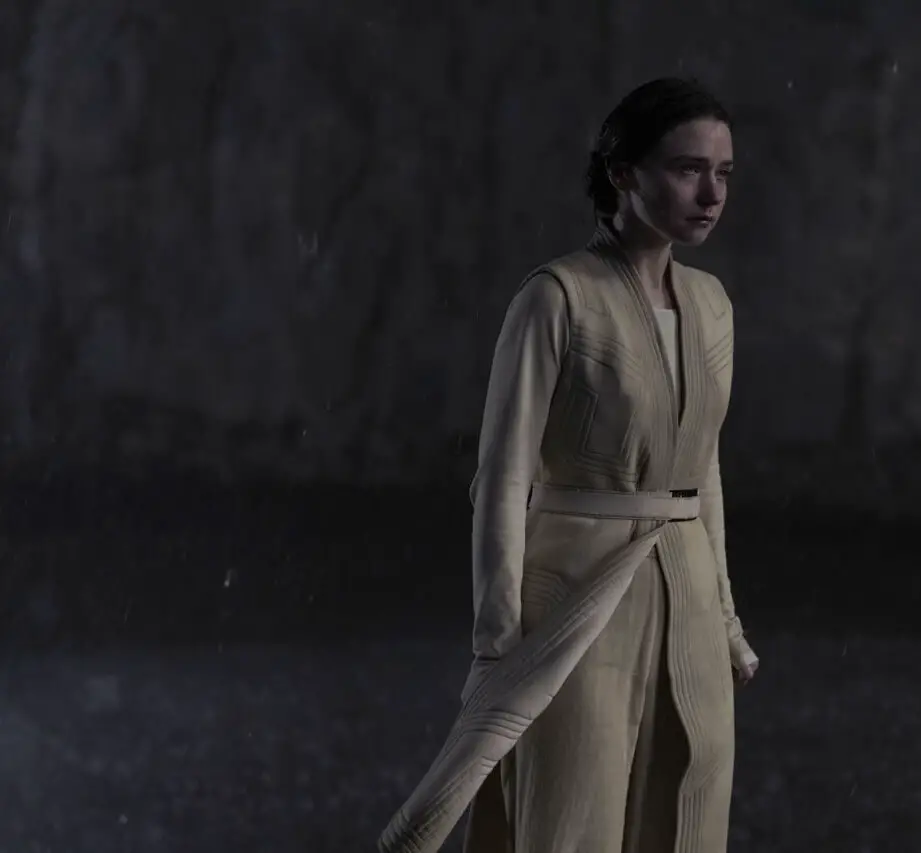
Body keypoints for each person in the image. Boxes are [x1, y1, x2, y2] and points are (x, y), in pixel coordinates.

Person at [377, 77, 759, 853]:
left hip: (686, 586)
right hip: (576, 589)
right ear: (622, 172)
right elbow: (502, 477)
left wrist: (723, 616)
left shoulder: (711, 303)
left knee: (687, 794)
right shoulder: (557, 298)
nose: (710, 193)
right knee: (571, 808)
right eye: (686, 169)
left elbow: (701, 474)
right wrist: (496, 639)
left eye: (722, 172)